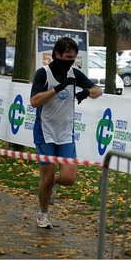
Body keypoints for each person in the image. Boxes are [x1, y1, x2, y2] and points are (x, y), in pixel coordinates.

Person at [30, 37, 103, 228]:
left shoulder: (74, 73)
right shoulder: (43, 74)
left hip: (65, 133)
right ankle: (43, 214)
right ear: (57, 54)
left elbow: (98, 90)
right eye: (67, 57)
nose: (71, 60)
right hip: (45, 130)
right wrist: (59, 88)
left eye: (74, 57)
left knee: (69, 178)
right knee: (46, 175)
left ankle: (51, 183)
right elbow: (34, 101)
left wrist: (87, 92)